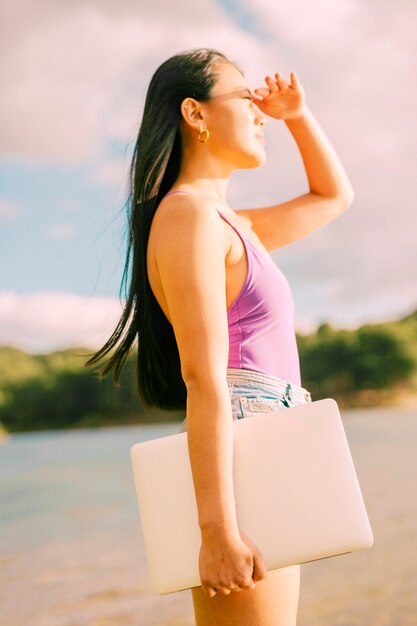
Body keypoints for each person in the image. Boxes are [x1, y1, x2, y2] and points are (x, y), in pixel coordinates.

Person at [85, 48, 355, 626]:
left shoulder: (234, 224)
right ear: (196, 114)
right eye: (246, 98)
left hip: (269, 437)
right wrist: (216, 531)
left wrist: (298, 115)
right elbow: (203, 377)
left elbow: (334, 197)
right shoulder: (187, 218)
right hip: (241, 447)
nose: (260, 114)